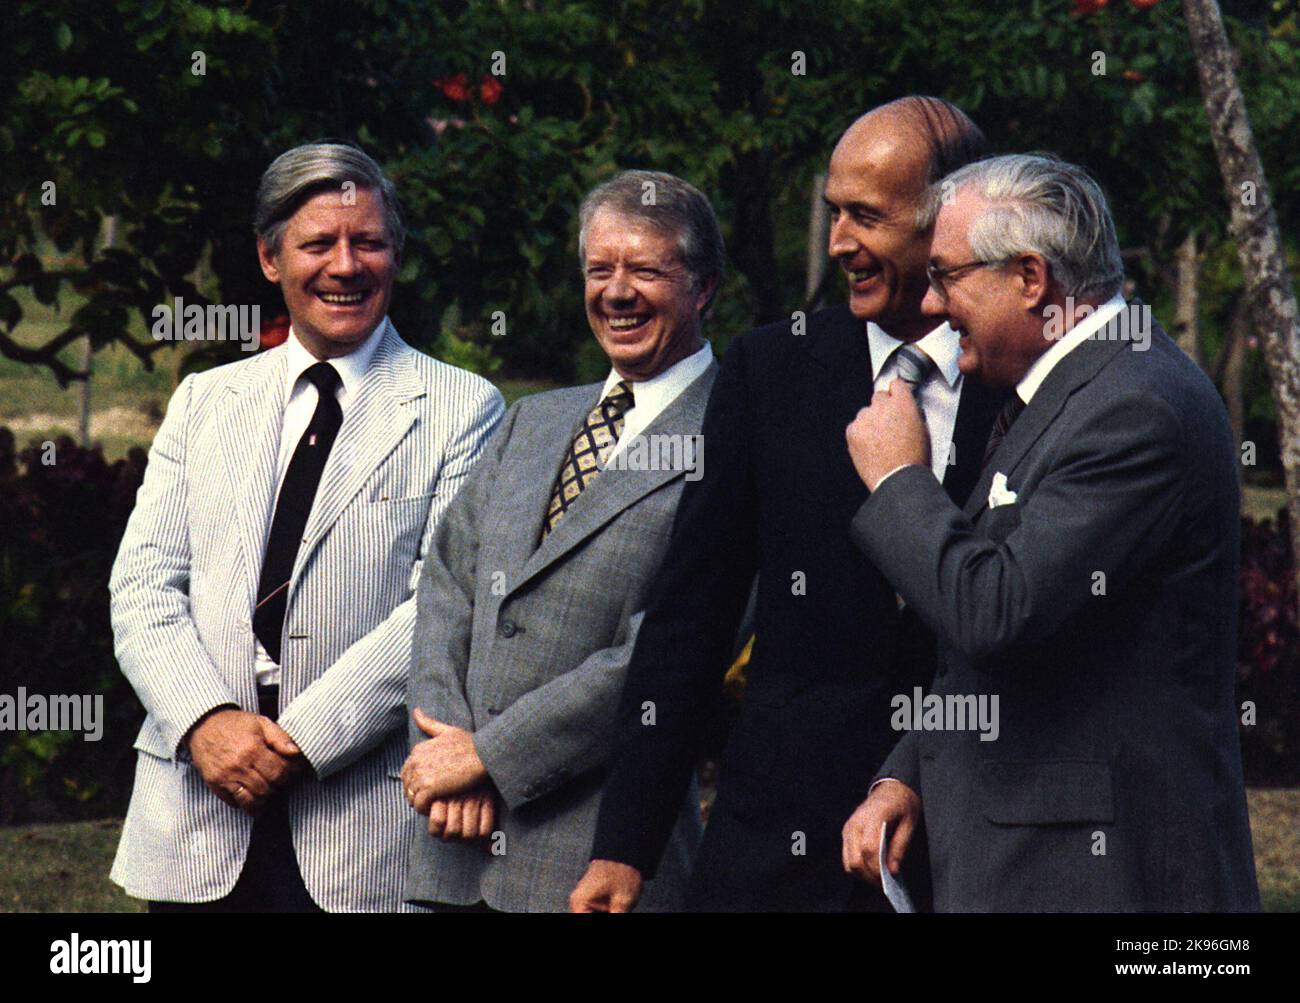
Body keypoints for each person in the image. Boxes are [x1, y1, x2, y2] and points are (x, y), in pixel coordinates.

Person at [571, 97, 1000, 912]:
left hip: (969, 846)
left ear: (949, 216)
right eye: (833, 212)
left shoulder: (1016, 377)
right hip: (776, 849)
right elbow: (690, 617)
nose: (840, 242)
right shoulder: (773, 370)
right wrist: (626, 846)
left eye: (867, 216)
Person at [840, 153, 1260, 911]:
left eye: (947, 276)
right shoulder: (1072, 387)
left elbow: (999, 610)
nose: (933, 306)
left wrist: (898, 481)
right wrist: (911, 770)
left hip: (1102, 880)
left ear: (1030, 279)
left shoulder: (1135, 407)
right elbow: (1019, 648)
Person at [108, 142, 504, 912]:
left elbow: (439, 607)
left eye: (369, 242)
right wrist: (206, 721)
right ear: (269, 258)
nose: (346, 266)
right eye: (318, 243)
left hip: (359, 818)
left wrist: (298, 742)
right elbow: (144, 583)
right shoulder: (204, 400)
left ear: (395, 254)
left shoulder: (463, 407)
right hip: (197, 804)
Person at [400, 170, 720, 912]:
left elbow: (673, 647)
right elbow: (447, 583)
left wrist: (490, 757)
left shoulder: (738, 438)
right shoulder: (533, 419)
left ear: (703, 288)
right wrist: (447, 743)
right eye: (599, 269)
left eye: (644, 269)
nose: (616, 291)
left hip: (596, 864)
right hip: (452, 847)